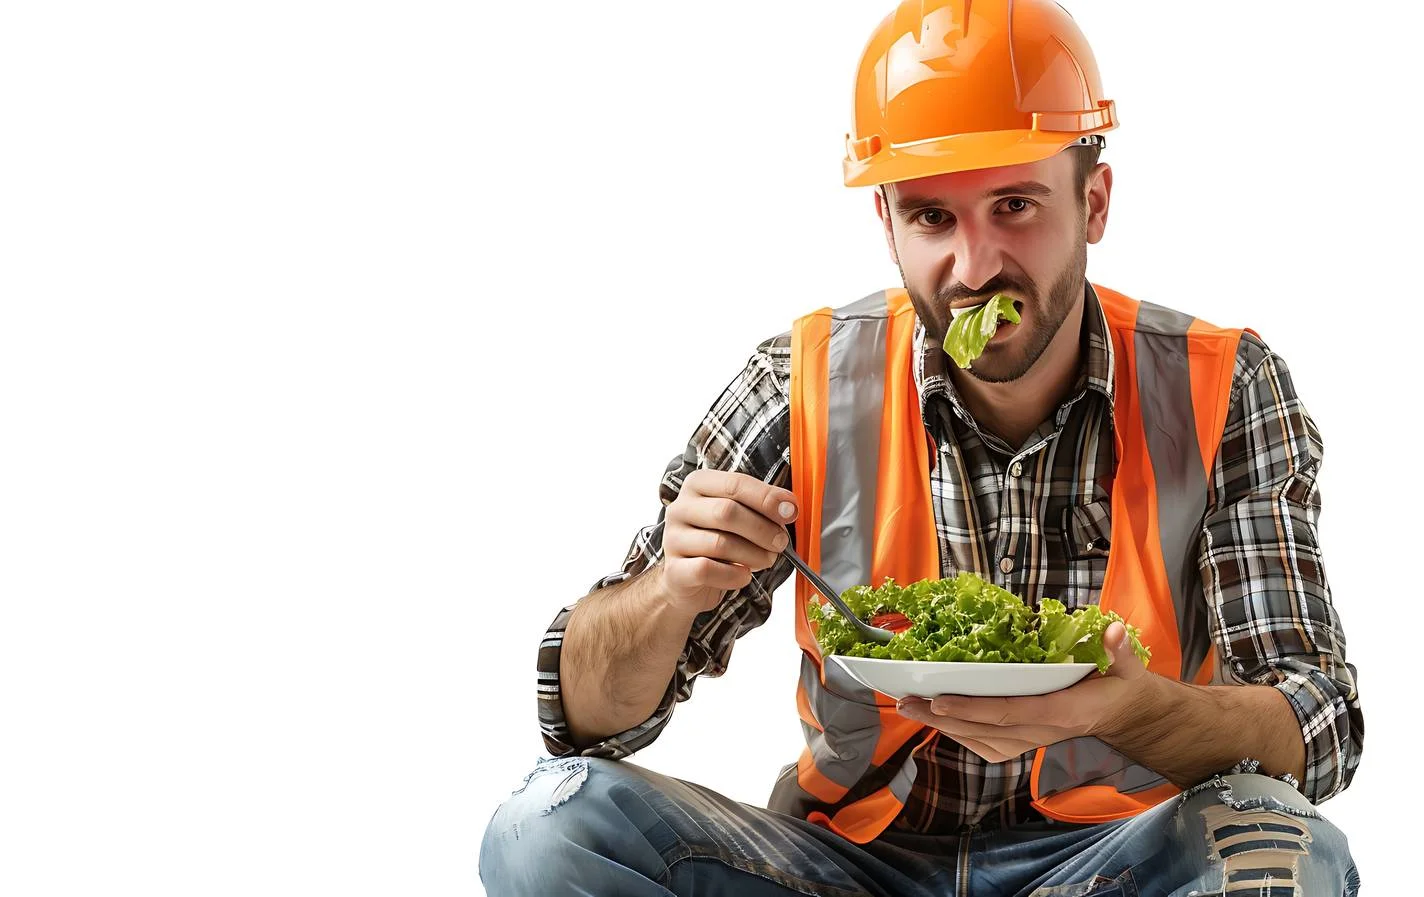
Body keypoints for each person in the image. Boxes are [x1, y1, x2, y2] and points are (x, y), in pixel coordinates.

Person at [480, 1, 1363, 893]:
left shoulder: (1221, 387)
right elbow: (582, 720)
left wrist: (1133, 710)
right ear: (887, 222)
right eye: (933, 217)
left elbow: (1317, 726)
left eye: (1014, 205)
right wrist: (671, 592)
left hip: (1116, 865)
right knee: (547, 828)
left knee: (1286, 852)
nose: (975, 267)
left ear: (1093, 202)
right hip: (847, 865)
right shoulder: (802, 382)